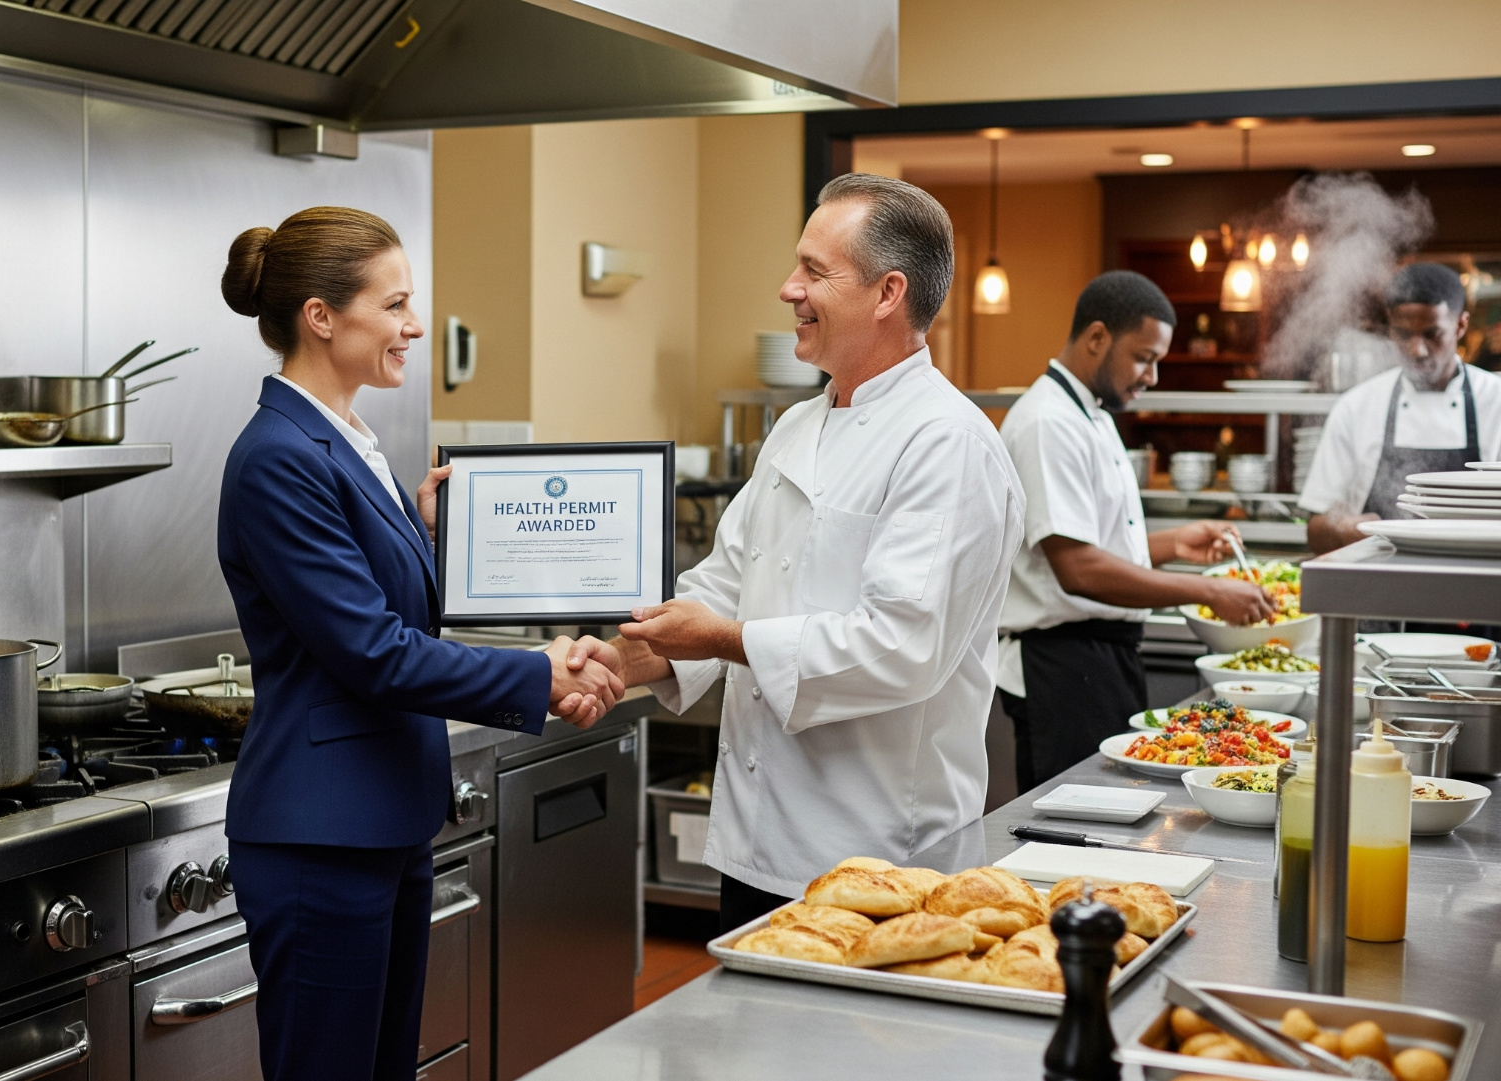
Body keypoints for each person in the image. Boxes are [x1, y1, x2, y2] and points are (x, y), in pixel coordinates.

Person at [214, 206, 624, 1081]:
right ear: (322, 316)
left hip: (380, 822)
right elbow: (374, 651)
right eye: (394, 304)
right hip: (320, 836)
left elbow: (382, 610)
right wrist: (538, 673)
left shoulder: (349, 441)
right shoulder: (280, 455)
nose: (414, 325)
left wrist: (431, 538)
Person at [576, 174, 1026, 932]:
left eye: (815, 271)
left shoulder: (947, 443)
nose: (789, 289)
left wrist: (722, 639)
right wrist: (616, 664)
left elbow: (900, 645)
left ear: (888, 293)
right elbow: (723, 587)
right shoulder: (795, 427)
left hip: (884, 860)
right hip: (757, 841)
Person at [994, 271, 1271, 793]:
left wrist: (1176, 543)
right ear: (1097, 337)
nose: (1153, 376)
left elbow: (1094, 543)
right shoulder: (1047, 421)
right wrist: (1208, 591)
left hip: (1099, 658)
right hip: (1063, 664)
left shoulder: (1092, 414)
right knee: (1077, 823)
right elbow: (1077, 568)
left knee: (1116, 814)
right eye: (1144, 358)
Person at [1303, 262, 1501, 553]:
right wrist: (1341, 529)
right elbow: (1316, 529)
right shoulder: (1356, 408)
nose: (1416, 350)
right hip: (1379, 576)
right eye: (1404, 334)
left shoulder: (1496, 401)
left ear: (1461, 325)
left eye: (1432, 334)